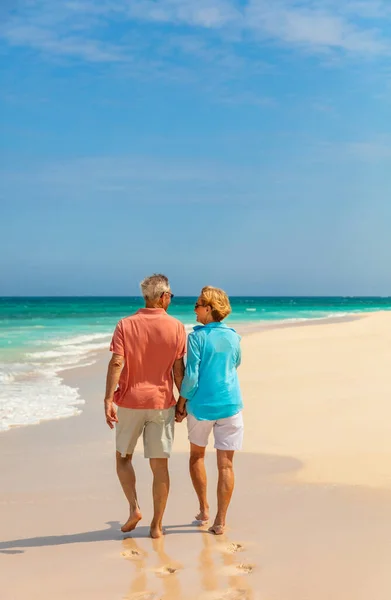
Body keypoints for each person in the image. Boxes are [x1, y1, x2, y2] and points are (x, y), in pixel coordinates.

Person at [104, 274, 186, 539]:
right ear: (163, 297)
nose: (171, 299)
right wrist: (182, 400)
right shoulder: (176, 327)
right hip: (162, 403)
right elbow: (178, 370)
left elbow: (117, 362)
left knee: (123, 458)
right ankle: (157, 526)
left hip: (130, 401)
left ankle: (134, 508)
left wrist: (108, 399)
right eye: (170, 295)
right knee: (159, 465)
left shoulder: (125, 325)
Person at [176, 286, 243, 535]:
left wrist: (181, 403)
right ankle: (220, 520)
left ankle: (204, 508)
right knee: (226, 465)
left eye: (197, 305)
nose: (194, 309)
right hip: (230, 404)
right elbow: (236, 363)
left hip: (201, 406)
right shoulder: (234, 336)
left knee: (197, 457)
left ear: (208, 308)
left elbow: (191, 377)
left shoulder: (196, 337)